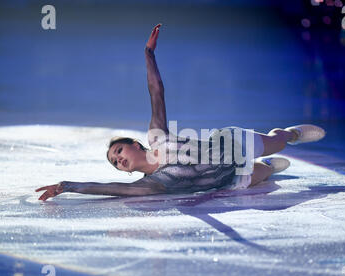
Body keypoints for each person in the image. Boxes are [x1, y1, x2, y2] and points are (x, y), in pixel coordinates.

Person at [35, 23, 325, 201]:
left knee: (278, 141)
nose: (119, 160)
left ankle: (290, 133)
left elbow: (156, 91)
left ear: (135, 144)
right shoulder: (151, 186)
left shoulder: (157, 137)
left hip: (230, 144)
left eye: (119, 151)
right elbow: (110, 189)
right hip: (229, 178)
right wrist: (67, 186)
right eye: (115, 162)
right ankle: (271, 165)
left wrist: (148, 54)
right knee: (265, 171)